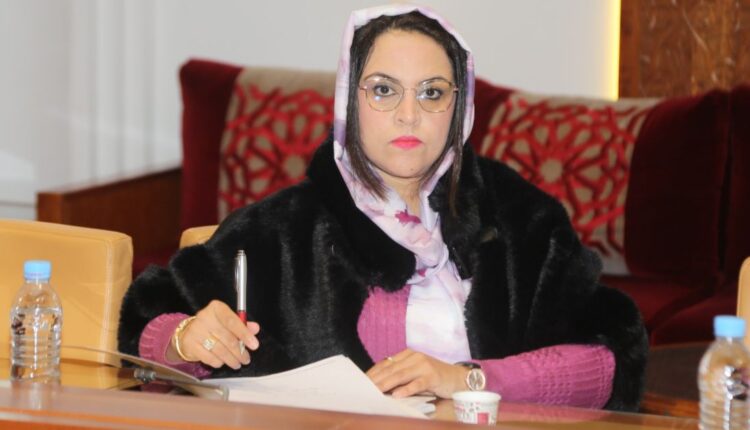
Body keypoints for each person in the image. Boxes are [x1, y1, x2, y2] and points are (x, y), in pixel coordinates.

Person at [118, 4, 647, 410]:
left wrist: (467, 379)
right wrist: (186, 339)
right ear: (349, 101)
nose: (409, 114)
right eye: (383, 90)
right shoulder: (281, 230)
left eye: (432, 93)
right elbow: (145, 327)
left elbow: (609, 361)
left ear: (459, 108)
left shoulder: (518, 221)